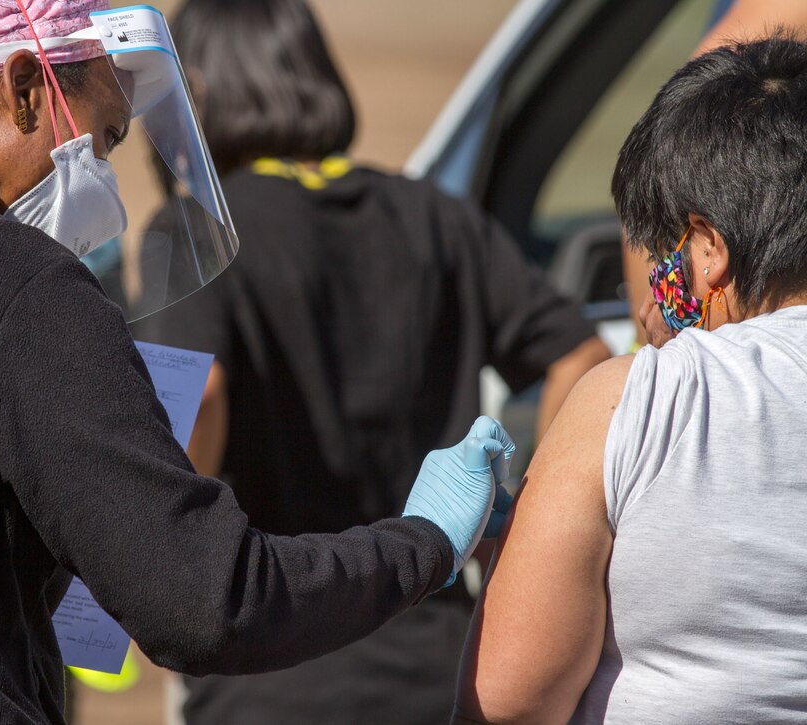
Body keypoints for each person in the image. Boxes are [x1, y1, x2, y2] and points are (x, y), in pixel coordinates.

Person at [0, 1, 518, 722]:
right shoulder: (21, 283)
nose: (101, 182)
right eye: (103, 139)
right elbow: (208, 605)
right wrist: (425, 542)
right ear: (26, 85)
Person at [136, 1, 610, 723]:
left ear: (194, 92)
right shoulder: (435, 216)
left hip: (270, 674)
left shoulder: (200, 228)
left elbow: (200, 395)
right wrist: (521, 519)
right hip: (441, 668)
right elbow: (581, 354)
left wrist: (163, 562)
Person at [454, 35, 807, 723]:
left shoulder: (635, 399)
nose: (650, 303)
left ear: (709, 250)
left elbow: (504, 703)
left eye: (662, 256)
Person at [625, 0, 807, 349]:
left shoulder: (676, 384)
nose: (651, 307)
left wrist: (659, 361)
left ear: (710, 247)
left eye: (666, 269)